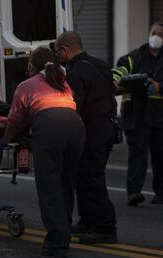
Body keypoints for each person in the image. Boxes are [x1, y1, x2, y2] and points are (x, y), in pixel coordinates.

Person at [0, 47, 85, 257]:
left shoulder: (26, 85)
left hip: (50, 129)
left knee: (49, 188)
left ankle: (56, 242)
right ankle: (63, 233)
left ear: (31, 65)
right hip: (75, 127)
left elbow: (15, 121)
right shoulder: (61, 80)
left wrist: (4, 140)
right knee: (65, 185)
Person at [112, 22, 163, 206]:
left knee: (162, 156)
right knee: (137, 154)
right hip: (138, 115)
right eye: (153, 32)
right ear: (149, 34)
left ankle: (161, 194)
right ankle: (134, 193)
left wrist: (160, 87)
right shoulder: (134, 56)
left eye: (160, 34)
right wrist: (115, 81)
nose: (155, 36)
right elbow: (120, 69)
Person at [55, 31, 118, 244]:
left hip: (92, 131)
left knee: (92, 179)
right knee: (82, 177)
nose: (58, 57)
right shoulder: (100, 64)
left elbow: (73, 106)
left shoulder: (75, 73)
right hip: (107, 128)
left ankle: (105, 228)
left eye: (58, 52)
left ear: (65, 49)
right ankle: (87, 221)